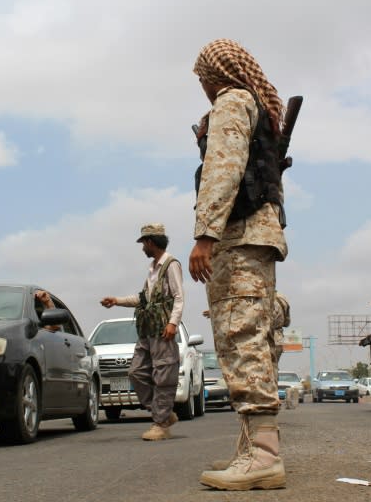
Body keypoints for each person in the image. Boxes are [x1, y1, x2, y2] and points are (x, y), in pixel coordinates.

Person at [188, 38, 288, 490]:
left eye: (204, 79)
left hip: (239, 237)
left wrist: (205, 234)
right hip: (258, 238)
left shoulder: (233, 101)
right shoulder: (257, 108)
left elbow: (223, 169)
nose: (205, 88)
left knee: (241, 336)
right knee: (252, 337)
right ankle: (254, 449)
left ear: (216, 74)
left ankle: (264, 456)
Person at [100, 223, 184, 441]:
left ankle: (161, 424)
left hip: (162, 330)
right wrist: (116, 301)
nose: (142, 248)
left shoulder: (170, 265)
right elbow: (143, 299)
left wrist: (173, 323)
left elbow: (178, 297)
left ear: (150, 242)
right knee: (136, 373)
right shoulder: (153, 269)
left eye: (143, 243)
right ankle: (162, 413)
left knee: (163, 376)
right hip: (147, 330)